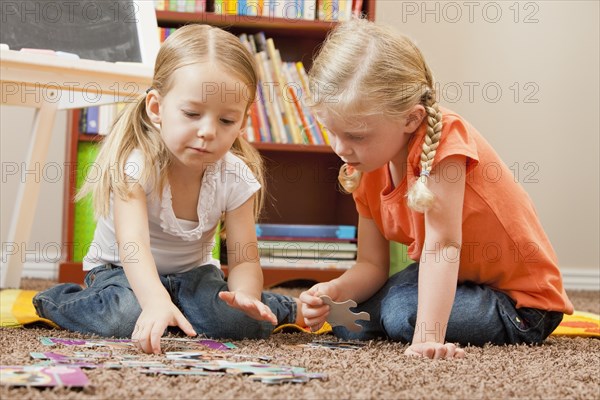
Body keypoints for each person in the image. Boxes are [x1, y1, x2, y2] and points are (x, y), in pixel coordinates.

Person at [300, 18, 573, 359]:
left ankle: (421, 323)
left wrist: (428, 337)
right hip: (461, 282)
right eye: (331, 132)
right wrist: (334, 290)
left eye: (356, 136)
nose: (341, 148)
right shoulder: (367, 164)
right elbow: (371, 265)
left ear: (411, 119)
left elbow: (442, 246)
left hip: (521, 305)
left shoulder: (445, 142)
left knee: (401, 313)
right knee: (347, 319)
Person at [33, 25, 300, 354]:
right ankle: (56, 300)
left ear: (242, 123)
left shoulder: (235, 175)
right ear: (157, 108)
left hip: (192, 275)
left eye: (226, 121)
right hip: (121, 270)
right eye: (191, 113)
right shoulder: (137, 166)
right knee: (124, 317)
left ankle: (270, 304)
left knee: (241, 323)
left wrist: (245, 294)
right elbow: (134, 248)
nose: (207, 131)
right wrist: (154, 300)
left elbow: (245, 258)